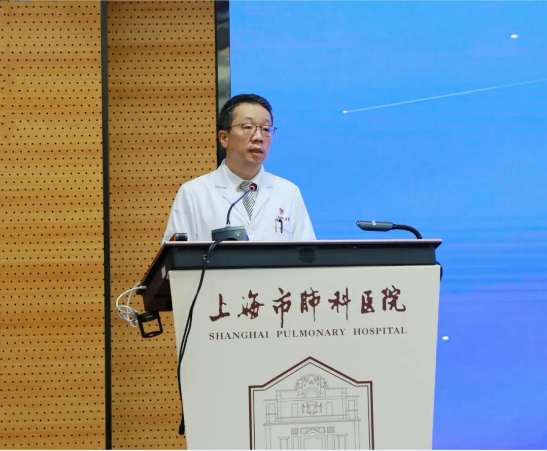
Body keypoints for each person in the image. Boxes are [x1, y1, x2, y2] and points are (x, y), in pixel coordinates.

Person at [162, 94, 315, 242]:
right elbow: (175, 257)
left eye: (266, 129)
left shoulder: (288, 193)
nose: (258, 137)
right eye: (248, 127)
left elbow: (308, 255)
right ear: (224, 138)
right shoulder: (194, 193)